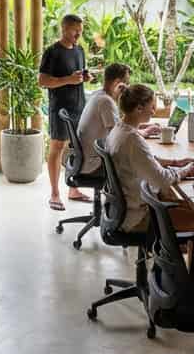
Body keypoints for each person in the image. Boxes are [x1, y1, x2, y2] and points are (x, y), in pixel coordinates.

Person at [106, 84, 194, 234]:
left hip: (120, 212)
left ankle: (170, 253)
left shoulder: (119, 129)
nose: (154, 111)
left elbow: (144, 160)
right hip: (138, 218)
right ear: (139, 108)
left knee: (180, 202)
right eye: (152, 106)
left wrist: (175, 163)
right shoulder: (132, 140)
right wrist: (186, 170)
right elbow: (162, 180)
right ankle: (180, 254)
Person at [38, 14, 91, 211]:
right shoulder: (52, 52)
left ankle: (73, 190)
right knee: (57, 147)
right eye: (75, 30)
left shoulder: (79, 50)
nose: (78, 34)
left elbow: (77, 75)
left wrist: (84, 78)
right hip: (59, 109)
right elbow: (42, 81)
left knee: (76, 148)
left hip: (79, 106)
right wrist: (68, 80)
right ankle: (54, 193)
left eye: (81, 31)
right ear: (64, 29)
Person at [74, 63, 131, 177]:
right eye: (126, 82)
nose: (127, 87)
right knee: (136, 163)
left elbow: (118, 126)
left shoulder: (99, 95)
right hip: (95, 163)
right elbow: (118, 136)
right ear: (117, 83)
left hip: (86, 160)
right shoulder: (106, 102)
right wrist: (141, 132)